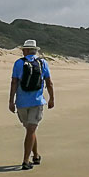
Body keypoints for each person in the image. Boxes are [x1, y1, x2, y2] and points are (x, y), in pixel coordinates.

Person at [9, 39, 54, 170]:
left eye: (23, 49)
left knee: (30, 130)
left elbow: (14, 83)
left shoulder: (18, 63)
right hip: (37, 101)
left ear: (27, 50)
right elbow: (49, 82)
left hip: (22, 103)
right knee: (31, 131)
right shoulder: (43, 63)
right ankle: (26, 160)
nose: (22, 51)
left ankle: (34, 156)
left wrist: (11, 101)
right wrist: (52, 98)